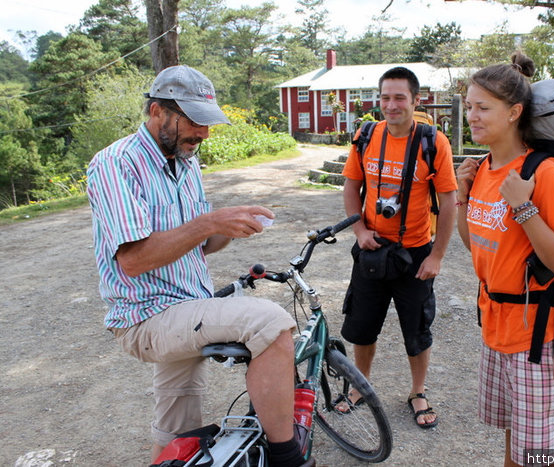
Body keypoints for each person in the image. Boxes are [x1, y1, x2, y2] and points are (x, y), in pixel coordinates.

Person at [86, 65, 313, 467]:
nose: (204, 133)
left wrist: (231, 225)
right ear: (157, 111)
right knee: (272, 324)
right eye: (194, 121)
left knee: (176, 432)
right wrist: (209, 221)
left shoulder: (186, 161)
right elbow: (135, 261)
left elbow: (200, 245)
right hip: (147, 316)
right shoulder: (116, 163)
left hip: (188, 306)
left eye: (207, 123)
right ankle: (287, 458)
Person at [455, 53, 554, 466]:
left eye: (482, 107)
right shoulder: (484, 168)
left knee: (543, 450)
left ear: (514, 112)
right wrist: (462, 196)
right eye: (468, 106)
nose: (471, 115)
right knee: (518, 438)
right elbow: (476, 246)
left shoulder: (542, 174)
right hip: (495, 325)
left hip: (536, 336)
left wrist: (524, 208)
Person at [340, 66, 457, 429]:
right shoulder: (365, 135)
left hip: (416, 254)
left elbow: (449, 201)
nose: (391, 105)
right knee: (361, 326)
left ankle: (418, 391)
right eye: (385, 97)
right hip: (372, 248)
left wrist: (437, 255)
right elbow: (349, 187)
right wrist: (359, 229)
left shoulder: (432, 141)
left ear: (415, 100)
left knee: (417, 329)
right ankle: (360, 385)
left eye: (399, 98)